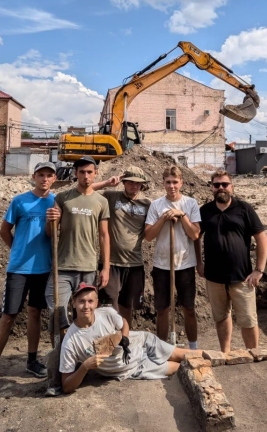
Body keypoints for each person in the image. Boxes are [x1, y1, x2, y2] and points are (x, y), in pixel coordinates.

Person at [0, 162, 57, 393]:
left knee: (35, 312)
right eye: (41, 175)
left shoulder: (55, 202)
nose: (44, 179)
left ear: (53, 179)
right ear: (34, 177)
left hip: (44, 269)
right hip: (19, 269)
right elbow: (4, 230)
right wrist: (17, 250)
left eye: (49, 175)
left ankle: (31, 361)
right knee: (9, 316)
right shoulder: (19, 201)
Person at [60, 283, 194, 393]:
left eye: (90, 301)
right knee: (180, 368)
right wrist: (85, 366)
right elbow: (66, 386)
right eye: (81, 301)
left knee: (186, 355)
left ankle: (212, 357)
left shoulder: (106, 313)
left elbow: (123, 322)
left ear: (96, 303)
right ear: (74, 303)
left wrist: (124, 337)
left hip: (142, 341)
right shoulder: (71, 341)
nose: (86, 306)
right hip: (133, 368)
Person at [196, 169, 267, 353]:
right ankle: (225, 354)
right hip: (214, 277)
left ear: (232, 187)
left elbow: (261, 238)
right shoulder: (205, 211)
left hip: (242, 276)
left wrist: (259, 270)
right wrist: (199, 262)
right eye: (217, 185)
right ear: (211, 188)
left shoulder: (244, 209)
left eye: (225, 184)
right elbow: (196, 237)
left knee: (248, 320)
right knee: (220, 317)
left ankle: (253, 354)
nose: (221, 188)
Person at [45, 156, 110, 340]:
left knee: (84, 315)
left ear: (96, 174)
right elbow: (51, 233)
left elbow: (104, 236)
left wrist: (105, 267)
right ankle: (59, 354)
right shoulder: (63, 198)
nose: (86, 176)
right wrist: (50, 220)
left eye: (90, 172)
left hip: (88, 267)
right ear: (75, 174)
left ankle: (80, 357)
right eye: (82, 172)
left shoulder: (101, 202)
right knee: (57, 312)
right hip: (63, 267)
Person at [145, 166, 201, 349]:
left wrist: (181, 215)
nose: (172, 186)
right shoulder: (156, 205)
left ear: (181, 183)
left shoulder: (190, 204)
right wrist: (163, 218)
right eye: (168, 182)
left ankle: (193, 347)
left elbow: (194, 235)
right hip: (162, 265)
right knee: (162, 309)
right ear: (163, 183)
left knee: (189, 308)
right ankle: (162, 348)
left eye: (175, 182)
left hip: (184, 264)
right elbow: (148, 236)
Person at [93, 167, 151, 327]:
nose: (134, 187)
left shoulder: (147, 204)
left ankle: (124, 341)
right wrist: (107, 183)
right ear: (124, 182)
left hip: (135, 264)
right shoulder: (111, 197)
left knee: (127, 307)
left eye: (138, 184)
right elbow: (85, 190)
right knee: (106, 306)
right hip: (111, 263)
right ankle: (104, 340)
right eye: (130, 182)